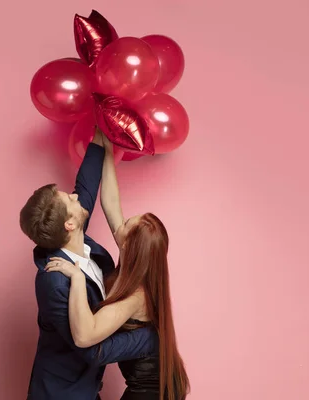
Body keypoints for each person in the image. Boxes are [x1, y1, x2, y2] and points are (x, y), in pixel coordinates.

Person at [45, 135, 190, 400]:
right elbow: (110, 202)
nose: (119, 225)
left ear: (130, 248)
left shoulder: (137, 297)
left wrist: (77, 277)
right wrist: (108, 145)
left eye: (125, 226)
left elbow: (85, 336)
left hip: (153, 394)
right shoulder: (135, 260)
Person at [19, 129, 158, 400]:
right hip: (60, 395)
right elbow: (92, 350)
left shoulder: (82, 245)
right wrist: (152, 339)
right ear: (69, 224)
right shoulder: (54, 281)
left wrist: (100, 136)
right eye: (70, 200)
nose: (75, 196)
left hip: (85, 391)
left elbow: (85, 187)